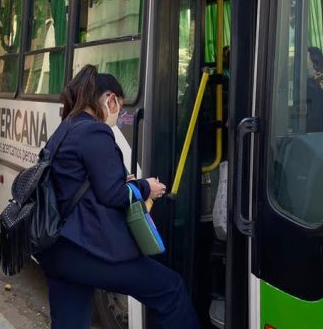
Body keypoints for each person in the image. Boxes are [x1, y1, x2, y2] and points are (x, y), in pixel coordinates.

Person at [35, 65, 200, 329]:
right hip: (86, 248)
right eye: (120, 108)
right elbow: (113, 194)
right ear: (110, 99)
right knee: (170, 290)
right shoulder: (95, 131)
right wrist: (147, 187)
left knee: (70, 322)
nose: (118, 115)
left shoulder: (67, 127)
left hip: (56, 248)